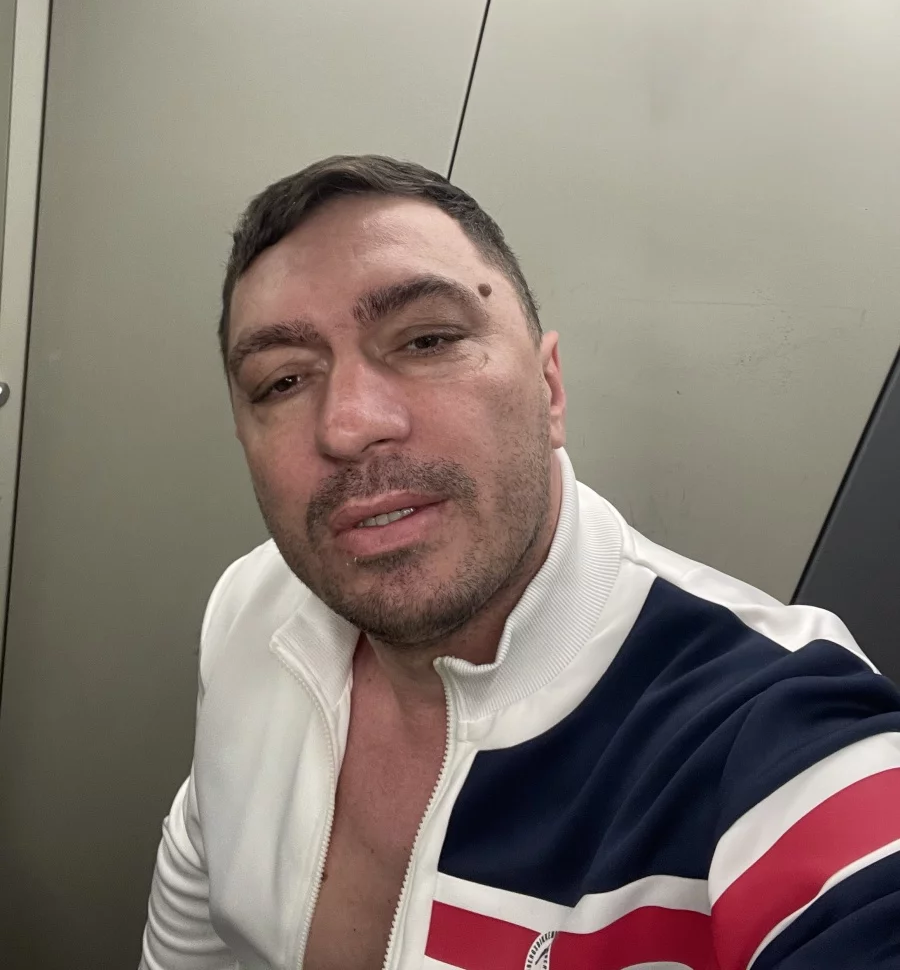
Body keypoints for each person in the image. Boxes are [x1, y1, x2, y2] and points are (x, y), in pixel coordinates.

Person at [140, 154, 900, 970]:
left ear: (550, 389)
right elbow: (198, 870)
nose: (349, 425)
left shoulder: (764, 728)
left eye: (428, 340)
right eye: (283, 380)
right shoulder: (253, 604)